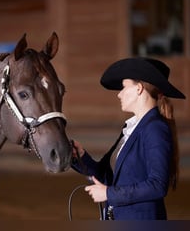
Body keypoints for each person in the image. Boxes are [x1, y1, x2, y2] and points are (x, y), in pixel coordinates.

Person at [71, 57, 186, 220]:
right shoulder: (130, 128)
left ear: (139, 88)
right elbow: (107, 176)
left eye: (124, 87)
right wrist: (80, 156)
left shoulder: (155, 128)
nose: (119, 94)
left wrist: (108, 194)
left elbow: (158, 185)